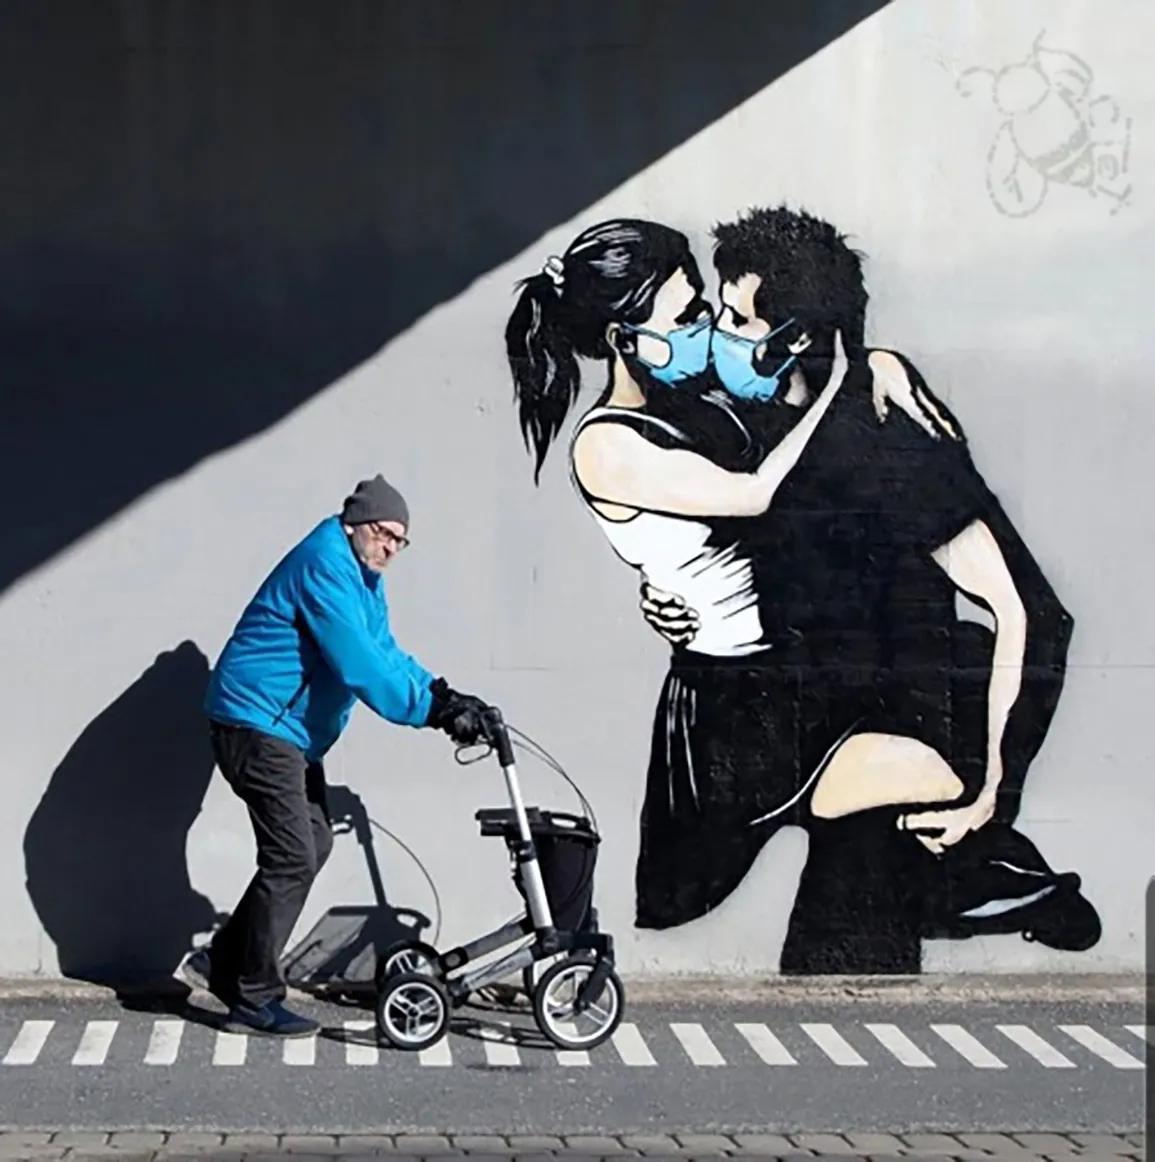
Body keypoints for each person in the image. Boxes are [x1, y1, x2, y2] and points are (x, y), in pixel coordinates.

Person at [635, 205, 1099, 970]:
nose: (717, 335)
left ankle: (988, 867)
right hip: (779, 745)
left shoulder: (886, 439)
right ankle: (986, 874)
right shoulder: (742, 428)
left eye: (736, 320)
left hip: (872, 768)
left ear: (795, 338)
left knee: (839, 957)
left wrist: (991, 793)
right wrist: (673, 598)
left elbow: (1028, 611)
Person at [503, 218, 959, 971]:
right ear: (624, 339)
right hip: (729, 708)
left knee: (900, 801)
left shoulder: (691, 404)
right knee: (710, 886)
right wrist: (844, 378)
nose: (706, 330)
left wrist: (879, 364)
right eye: (686, 318)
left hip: (790, 679)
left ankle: (976, 881)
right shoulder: (607, 444)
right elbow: (754, 494)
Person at [184, 474, 490, 1036]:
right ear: (355, 524)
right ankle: (252, 998)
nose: (391, 548)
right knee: (293, 855)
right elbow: (360, 665)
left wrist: (443, 693)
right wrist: (432, 713)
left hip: (286, 732)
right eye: (384, 534)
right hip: (255, 723)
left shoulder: (362, 576)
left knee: (314, 841)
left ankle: (223, 961)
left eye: (400, 540)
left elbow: (385, 651)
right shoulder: (324, 565)